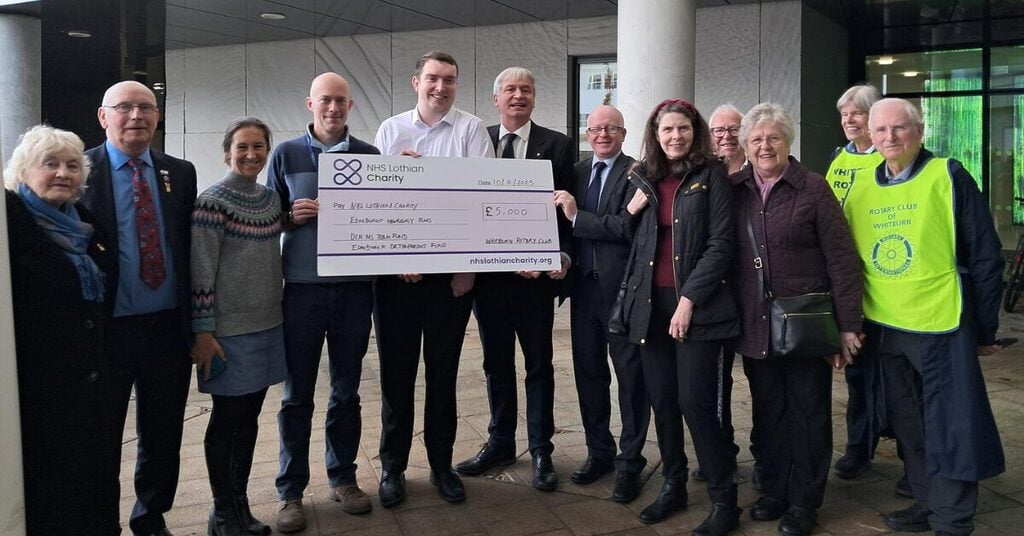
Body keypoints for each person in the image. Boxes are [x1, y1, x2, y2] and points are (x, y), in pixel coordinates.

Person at [855, 98, 1005, 536]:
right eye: (881, 130)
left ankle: (952, 519)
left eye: (900, 128)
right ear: (871, 136)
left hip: (941, 323)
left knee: (952, 424)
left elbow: (985, 254)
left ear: (920, 131)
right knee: (908, 422)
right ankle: (926, 500)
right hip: (884, 327)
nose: (890, 137)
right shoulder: (862, 186)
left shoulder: (948, 175)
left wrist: (985, 328)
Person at [730, 102, 863, 536]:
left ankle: (805, 502)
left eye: (773, 137)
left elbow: (842, 259)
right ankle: (774, 491)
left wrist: (848, 324)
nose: (765, 146)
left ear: (788, 141)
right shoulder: (735, 190)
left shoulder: (813, 188)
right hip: (756, 323)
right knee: (768, 413)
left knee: (808, 414)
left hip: (806, 323)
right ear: (746, 146)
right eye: (756, 139)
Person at [373, 50, 494, 506]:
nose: (440, 87)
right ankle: (393, 468)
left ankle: (442, 466)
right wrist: (396, 256)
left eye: (449, 80)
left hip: (450, 282)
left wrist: (468, 268)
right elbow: (377, 204)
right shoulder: (390, 130)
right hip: (396, 281)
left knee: (443, 377)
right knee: (396, 378)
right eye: (433, 78)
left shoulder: (471, 130)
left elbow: (482, 200)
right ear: (416, 82)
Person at [80, 80, 198, 536]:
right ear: (103, 116)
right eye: (124, 107)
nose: (136, 116)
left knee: (163, 433)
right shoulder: (79, 170)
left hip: (168, 329)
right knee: (100, 436)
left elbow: (187, 249)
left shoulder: (179, 173)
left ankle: (151, 518)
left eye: (146, 107)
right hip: (106, 332)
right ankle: (100, 523)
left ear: (157, 116)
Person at [618, 99, 741, 533]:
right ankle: (674, 485)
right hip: (650, 307)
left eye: (683, 128)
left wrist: (688, 300)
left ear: (695, 131)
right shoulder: (643, 176)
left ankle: (724, 500)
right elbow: (627, 234)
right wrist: (630, 211)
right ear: (655, 134)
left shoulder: (712, 175)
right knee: (663, 400)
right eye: (667, 129)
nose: (675, 136)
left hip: (698, 305)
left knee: (695, 401)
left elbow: (722, 244)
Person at [267, 72, 379, 533]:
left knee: (346, 391)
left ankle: (343, 478)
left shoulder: (370, 156)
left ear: (350, 106)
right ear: (310, 104)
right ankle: (290, 490)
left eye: (341, 101)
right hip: (302, 289)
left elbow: (386, 218)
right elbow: (267, 217)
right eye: (325, 100)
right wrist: (289, 217)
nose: (333, 108)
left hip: (355, 290)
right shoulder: (285, 154)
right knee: (296, 395)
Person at [454, 66, 574, 492]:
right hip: (488, 281)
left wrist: (556, 256)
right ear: (496, 99)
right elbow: (460, 204)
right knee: (496, 364)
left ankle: (541, 449)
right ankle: (500, 443)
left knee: (539, 365)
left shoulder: (557, 146)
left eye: (526, 89)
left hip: (534, 281)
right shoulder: (476, 141)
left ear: (534, 98)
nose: (518, 95)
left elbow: (567, 213)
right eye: (510, 89)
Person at [5, 125, 119, 535]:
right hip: (37, 391)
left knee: (94, 481)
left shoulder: (85, 223)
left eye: (72, 166)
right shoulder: (12, 225)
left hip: (90, 385)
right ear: (23, 171)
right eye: (49, 164)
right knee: (50, 490)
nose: (62, 173)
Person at [551, 104, 650, 503]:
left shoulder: (637, 173)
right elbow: (562, 228)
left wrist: (578, 216)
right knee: (589, 375)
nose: (603, 135)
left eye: (611, 128)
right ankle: (599, 453)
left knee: (631, 380)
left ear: (623, 134)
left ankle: (630, 462)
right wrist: (562, 255)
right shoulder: (576, 172)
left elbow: (627, 228)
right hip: (583, 292)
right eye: (595, 129)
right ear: (586, 134)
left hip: (622, 294)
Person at [191, 117, 284, 536]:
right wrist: (203, 332)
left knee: (250, 419)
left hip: (268, 326)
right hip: (227, 333)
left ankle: (240, 505)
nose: (250, 154)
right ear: (227, 152)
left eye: (258, 147)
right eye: (242, 147)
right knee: (226, 421)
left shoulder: (270, 199)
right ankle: (223, 512)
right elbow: (201, 269)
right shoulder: (211, 201)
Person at [824, 84, 900, 486]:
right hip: (849, 284)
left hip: (889, 282)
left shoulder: (889, 159)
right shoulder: (838, 159)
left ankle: (911, 453)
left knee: (900, 377)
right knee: (857, 373)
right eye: (844, 114)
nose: (849, 120)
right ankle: (859, 447)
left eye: (857, 113)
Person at [690, 103, 747, 486]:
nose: (726, 135)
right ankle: (722, 448)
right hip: (715, 291)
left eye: (733, 128)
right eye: (718, 129)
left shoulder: (756, 171)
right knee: (717, 377)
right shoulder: (705, 173)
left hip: (752, 288)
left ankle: (767, 453)